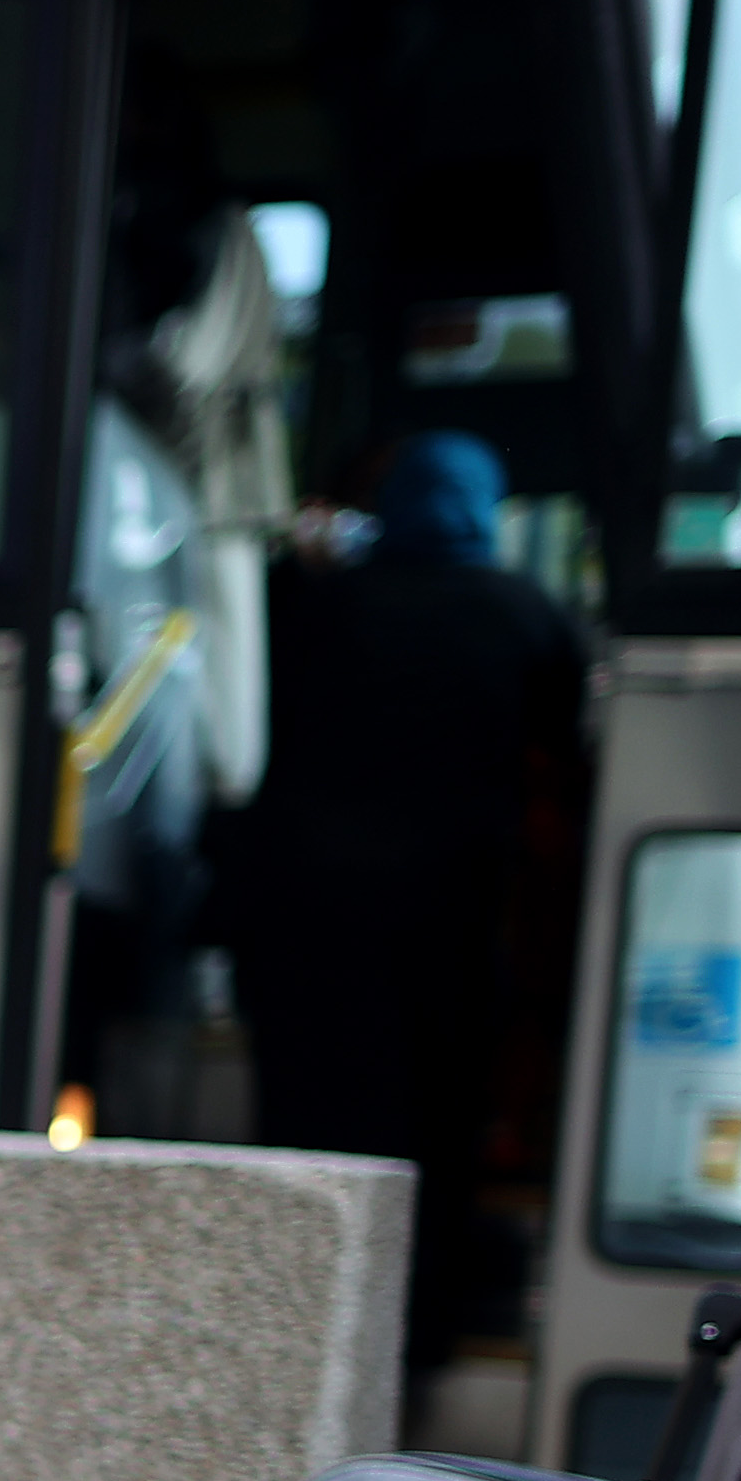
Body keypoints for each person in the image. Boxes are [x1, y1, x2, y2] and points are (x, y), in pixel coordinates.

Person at [212, 428, 590, 1368]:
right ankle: (404, 1351)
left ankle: (282, 1338)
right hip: (444, 933)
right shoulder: (528, 615)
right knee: (429, 1147)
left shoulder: (316, 605)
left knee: (303, 1135)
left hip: (301, 932)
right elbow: (568, 757)